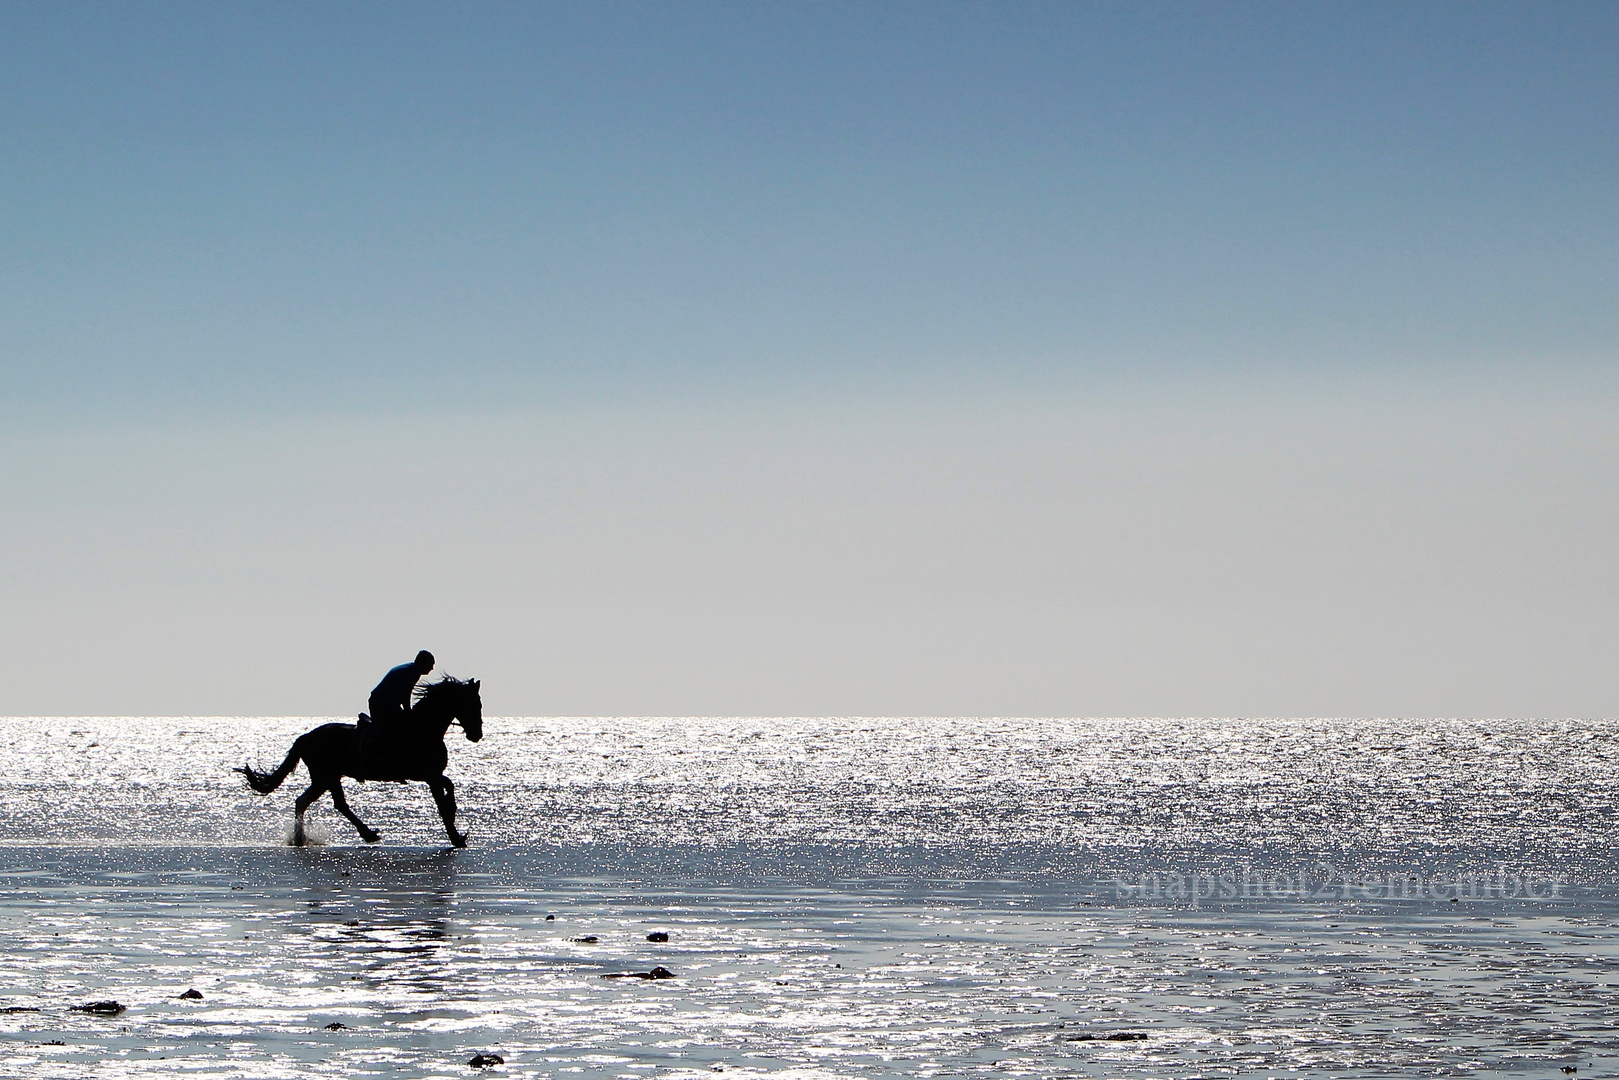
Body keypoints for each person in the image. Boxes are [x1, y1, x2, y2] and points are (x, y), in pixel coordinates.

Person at [359, 650, 435, 762]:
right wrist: (409, 712)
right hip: (380, 703)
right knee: (383, 731)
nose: (432, 668)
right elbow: (406, 695)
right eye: (430, 665)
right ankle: (366, 756)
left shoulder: (413, 670)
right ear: (422, 663)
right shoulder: (411, 672)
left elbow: (405, 695)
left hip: (390, 703)